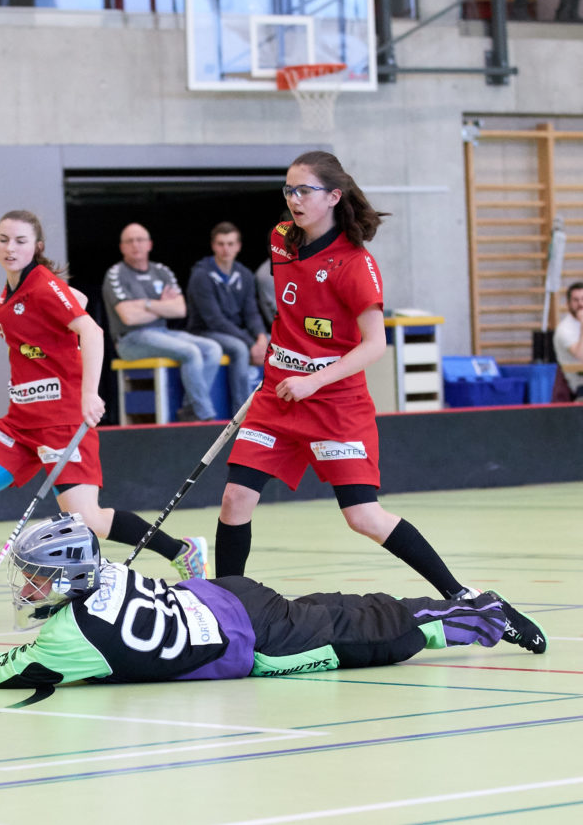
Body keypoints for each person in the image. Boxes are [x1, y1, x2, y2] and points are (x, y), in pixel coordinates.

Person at [212, 151, 544, 652]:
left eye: (303, 190)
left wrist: (315, 378)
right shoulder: (281, 240)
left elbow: (374, 345)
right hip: (279, 395)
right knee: (236, 498)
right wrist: (279, 354)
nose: (293, 199)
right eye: (288, 190)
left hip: (334, 400)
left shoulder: (355, 264)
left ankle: (468, 598)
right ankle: (223, 612)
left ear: (333, 196)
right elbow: (293, 313)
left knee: (362, 516)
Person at [0, 211, 207, 615]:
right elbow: (71, 305)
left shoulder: (41, 284)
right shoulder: (10, 292)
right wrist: (71, 300)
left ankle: (181, 550)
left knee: (87, 519)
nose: (10, 248)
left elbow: (92, 331)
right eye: (3, 239)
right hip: (19, 424)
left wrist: (90, 394)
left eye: (20, 241)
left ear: (36, 246)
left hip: (63, 423)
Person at [0, 513, 546, 689]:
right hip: (230, 596)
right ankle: (464, 610)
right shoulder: (100, 572)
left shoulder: (67, 642)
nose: (25, 589)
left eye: (34, 578)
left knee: (378, 635)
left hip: (258, 644)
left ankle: (480, 614)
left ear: (65, 580)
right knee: (343, 605)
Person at [102, 223, 222, 422]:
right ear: (122, 247)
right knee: (190, 351)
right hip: (130, 340)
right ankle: (205, 415)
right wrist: (161, 306)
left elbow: (180, 309)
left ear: (149, 244)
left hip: (162, 333)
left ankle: (190, 408)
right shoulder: (116, 273)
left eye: (140, 240)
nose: (135, 245)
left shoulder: (161, 271)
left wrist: (145, 304)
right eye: (129, 241)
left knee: (212, 348)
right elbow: (129, 317)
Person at [186, 221, 270, 416]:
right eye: (221, 244)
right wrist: (251, 343)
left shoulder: (245, 274)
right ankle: (242, 414)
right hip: (205, 332)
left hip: (234, 331)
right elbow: (214, 319)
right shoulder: (201, 275)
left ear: (238, 246)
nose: (226, 249)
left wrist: (260, 337)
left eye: (231, 244)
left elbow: (251, 312)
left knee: (274, 342)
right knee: (240, 348)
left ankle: (273, 408)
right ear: (213, 246)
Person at [553, 281, 583, 399]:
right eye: (576, 300)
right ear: (568, 304)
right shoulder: (564, 329)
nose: (580, 304)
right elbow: (580, 355)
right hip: (578, 385)